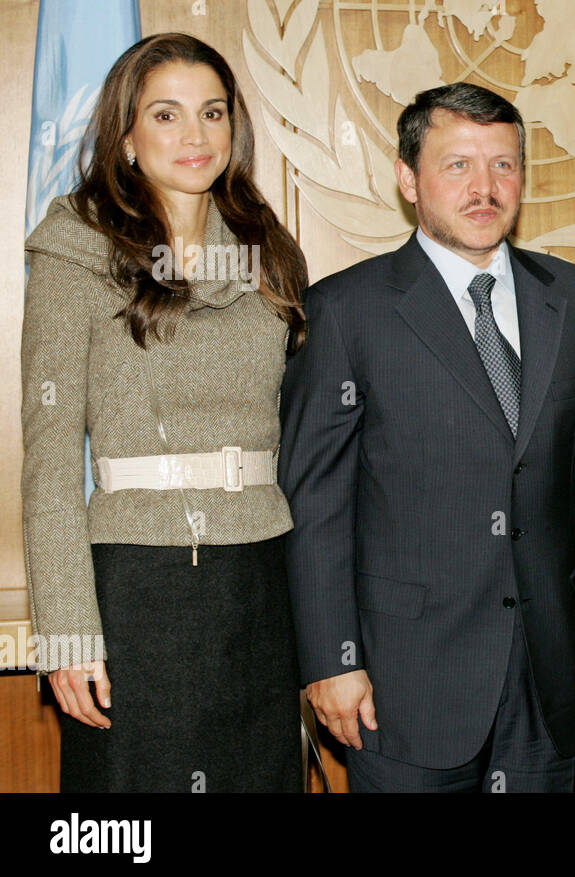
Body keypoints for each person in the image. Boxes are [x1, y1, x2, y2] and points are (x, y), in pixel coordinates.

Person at [279, 82, 575, 793]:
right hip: (401, 682)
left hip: (550, 674)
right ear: (409, 179)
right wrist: (330, 659)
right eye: (458, 165)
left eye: (503, 164)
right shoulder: (345, 310)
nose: (485, 188)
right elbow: (316, 505)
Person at [22, 33, 308, 792]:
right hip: (137, 582)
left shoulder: (268, 250)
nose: (195, 135)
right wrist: (68, 631)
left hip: (261, 575)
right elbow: (51, 460)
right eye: (166, 114)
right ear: (125, 137)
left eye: (212, 112)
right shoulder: (74, 249)